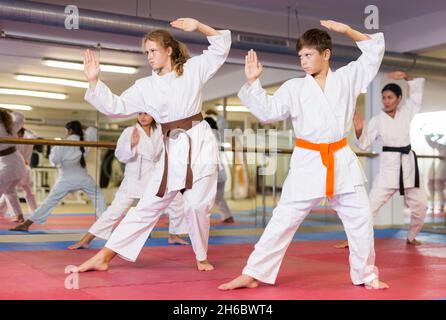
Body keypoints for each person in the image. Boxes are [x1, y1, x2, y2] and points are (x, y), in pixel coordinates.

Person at [219, 20, 388, 290]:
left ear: (326, 54)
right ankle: (253, 273)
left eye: (308, 55)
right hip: (308, 161)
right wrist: (253, 83)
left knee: (361, 220)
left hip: (340, 158)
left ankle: (367, 275)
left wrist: (347, 31)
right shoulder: (294, 88)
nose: (303, 61)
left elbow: (373, 51)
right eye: (301, 56)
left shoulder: (347, 78)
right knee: (283, 219)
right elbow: (268, 112)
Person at [69, 17, 231, 273]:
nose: (149, 56)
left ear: (169, 50)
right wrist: (94, 82)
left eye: (153, 50)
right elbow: (117, 107)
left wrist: (199, 26)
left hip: (199, 142)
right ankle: (104, 256)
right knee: (145, 207)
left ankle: (201, 255)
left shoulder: (193, 69)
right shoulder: (145, 86)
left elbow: (221, 46)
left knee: (196, 205)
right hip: (172, 149)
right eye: (146, 52)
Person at [68, 112, 189, 249]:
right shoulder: (129, 131)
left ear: (154, 115)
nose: (142, 117)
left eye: (146, 114)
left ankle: (174, 235)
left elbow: (166, 149)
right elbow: (120, 155)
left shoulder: (159, 130)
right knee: (116, 209)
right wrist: (131, 145)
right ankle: (87, 239)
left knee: (177, 200)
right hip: (135, 176)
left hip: (154, 175)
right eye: (140, 114)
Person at [334, 72, 427, 249]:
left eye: (390, 97)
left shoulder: (407, 112)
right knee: (369, 208)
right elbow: (364, 145)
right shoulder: (377, 120)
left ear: (399, 98)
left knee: (421, 207)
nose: (386, 101)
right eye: (383, 97)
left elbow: (416, 95)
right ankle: (353, 239)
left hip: (409, 168)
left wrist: (407, 76)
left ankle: (412, 236)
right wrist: (360, 129)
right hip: (388, 170)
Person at [11, 120, 107, 231]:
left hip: (66, 179)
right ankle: (104, 224)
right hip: (83, 178)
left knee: (49, 202)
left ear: (69, 131)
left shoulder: (62, 144)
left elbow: (54, 161)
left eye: (66, 131)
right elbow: (92, 131)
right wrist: (82, 127)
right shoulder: (84, 142)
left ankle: (26, 224)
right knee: (99, 197)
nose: (65, 133)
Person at [0, 127, 38, 222]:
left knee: (8, 190)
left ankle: (6, 211)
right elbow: (34, 135)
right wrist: (26, 129)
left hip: (16, 167)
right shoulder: (28, 139)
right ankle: (33, 213)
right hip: (23, 168)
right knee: (25, 192)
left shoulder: (12, 141)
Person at [204, 116, 234, 223]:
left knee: (206, 197)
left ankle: (203, 218)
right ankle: (227, 217)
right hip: (220, 172)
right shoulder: (217, 134)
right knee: (219, 197)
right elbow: (222, 121)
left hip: (213, 172)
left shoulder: (208, 134)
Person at [0, 108, 27, 222]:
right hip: (16, 162)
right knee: (9, 191)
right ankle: (19, 215)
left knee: (8, 190)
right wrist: (6, 110)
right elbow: (20, 115)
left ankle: (18, 215)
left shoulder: (6, 127)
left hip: (10, 164)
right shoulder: (11, 126)